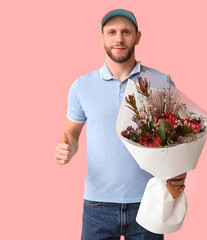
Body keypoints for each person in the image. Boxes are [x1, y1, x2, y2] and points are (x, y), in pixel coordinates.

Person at [54, 8, 187, 240]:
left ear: (138, 36)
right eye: (112, 32)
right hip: (98, 205)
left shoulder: (161, 81)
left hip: (148, 200)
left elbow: (178, 138)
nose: (119, 38)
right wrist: (66, 147)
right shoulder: (82, 86)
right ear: (102, 38)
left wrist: (179, 171)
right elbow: (70, 133)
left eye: (126, 32)